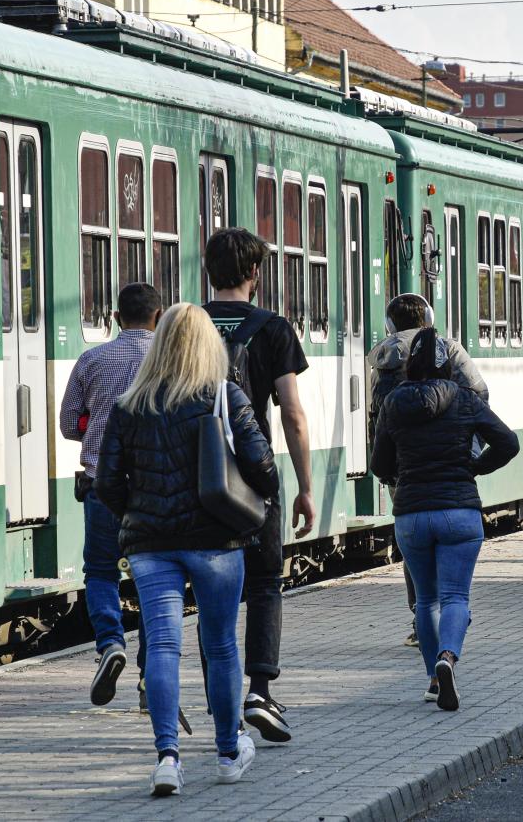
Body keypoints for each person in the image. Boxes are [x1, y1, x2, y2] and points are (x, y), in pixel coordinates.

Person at [95, 303, 280, 796]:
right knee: (219, 645)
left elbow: (107, 483)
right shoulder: (224, 394)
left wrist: (139, 511)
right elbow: (264, 469)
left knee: (162, 646)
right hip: (216, 541)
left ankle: (167, 760)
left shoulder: (131, 404)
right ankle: (226, 752)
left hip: (152, 546)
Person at [202, 228, 313, 743]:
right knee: (265, 582)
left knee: (209, 588)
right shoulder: (273, 328)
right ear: (254, 274)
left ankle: (217, 694)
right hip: (255, 475)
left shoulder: (186, 323)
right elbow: (291, 414)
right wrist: (305, 486)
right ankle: (258, 690)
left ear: (209, 271)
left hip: (198, 476)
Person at [371, 328, 518, 711]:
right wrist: (475, 466)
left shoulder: (393, 402)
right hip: (459, 512)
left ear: (410, 366)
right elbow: (509, 442)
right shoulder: (466, 399)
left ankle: (435, 681)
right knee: (456, 596)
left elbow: (379, 464)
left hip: (412, 515)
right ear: (448, 366)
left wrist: (401, 475)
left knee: (426, 601)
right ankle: (448, 657)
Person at [58, 282, 161, 708]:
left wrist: (95, 424)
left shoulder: (92, 359)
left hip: (103, 483)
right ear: (159, 318)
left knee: (101, 571)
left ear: (115, 319)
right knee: (155, 579)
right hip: (155, 488)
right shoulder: (169, 361)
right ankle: (148, 679)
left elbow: (68, 424)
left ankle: (109, 644)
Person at [368, 293, 488, 642]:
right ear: (429, 318)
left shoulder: (381, 359)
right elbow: (479, 391)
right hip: (451, 460)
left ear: (389, 325)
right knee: (450, 536)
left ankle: (420, 620)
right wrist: (469, 443)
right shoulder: (449, 350)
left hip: (404, 464)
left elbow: (377, 417)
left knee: (414, 543)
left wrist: (386, 461)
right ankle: (453, 613)